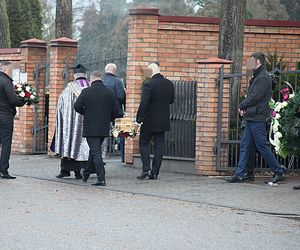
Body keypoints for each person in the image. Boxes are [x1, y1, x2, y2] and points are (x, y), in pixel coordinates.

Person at [225, 52, 286, 184]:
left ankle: (278, 171)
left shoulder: (263, 77)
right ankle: (240, 174)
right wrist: (245, 109)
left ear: (257, 62)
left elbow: (255, 97)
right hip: (252, 116)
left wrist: (242, 105)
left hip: (257, 116)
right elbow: (253, 96)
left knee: (261, 146)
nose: (248, 63)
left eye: (251, 61)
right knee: (245, 145)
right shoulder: (258, 76)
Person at [74, 71, 120, 186]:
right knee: (94, 151)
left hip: (91, 126)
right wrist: (109, 118)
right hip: (103, 127)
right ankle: (86, 174)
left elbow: (77, 106)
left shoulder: (86, 91)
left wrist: (86, 113)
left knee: (96, 152)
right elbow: (116, 110)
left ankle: (101, 178)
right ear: (101, 79)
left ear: (91, 80)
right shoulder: (109, 92)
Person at [136, 62, 174, 180]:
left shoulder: (149, 84)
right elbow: (171, 101)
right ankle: (155, 172)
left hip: (149, 120)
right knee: (159, 146)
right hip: (162, 120)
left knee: (143, 143)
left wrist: (139, 118)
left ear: (150, 71)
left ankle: (146, 170)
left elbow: (144, 103)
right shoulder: (169, 84)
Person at [51, 64, 90, 179]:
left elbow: (61, 106)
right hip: (87, 122)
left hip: (71, 124)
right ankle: (80, 171)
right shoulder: (91, 87)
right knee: (83, 145)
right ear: (85, 75)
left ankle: (65, 170)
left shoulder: (69, 89)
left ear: (75, 76)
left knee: (69, 142)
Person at [0, 61, 26, 179]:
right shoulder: (6, 82)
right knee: (6, 144)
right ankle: (3, 171)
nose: (12, 73)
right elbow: (13, 100)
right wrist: (25, 99)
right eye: (11, 70)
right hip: (5, 117)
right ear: (5, 70)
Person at [102, 63, 126, 161]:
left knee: (102, 133)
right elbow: (121, 96)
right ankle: (123, 155)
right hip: (116, 112)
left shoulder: (101, 80)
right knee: (121, 133)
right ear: (114, 70)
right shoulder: (117, 81)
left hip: (102, 112)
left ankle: (104, 151)